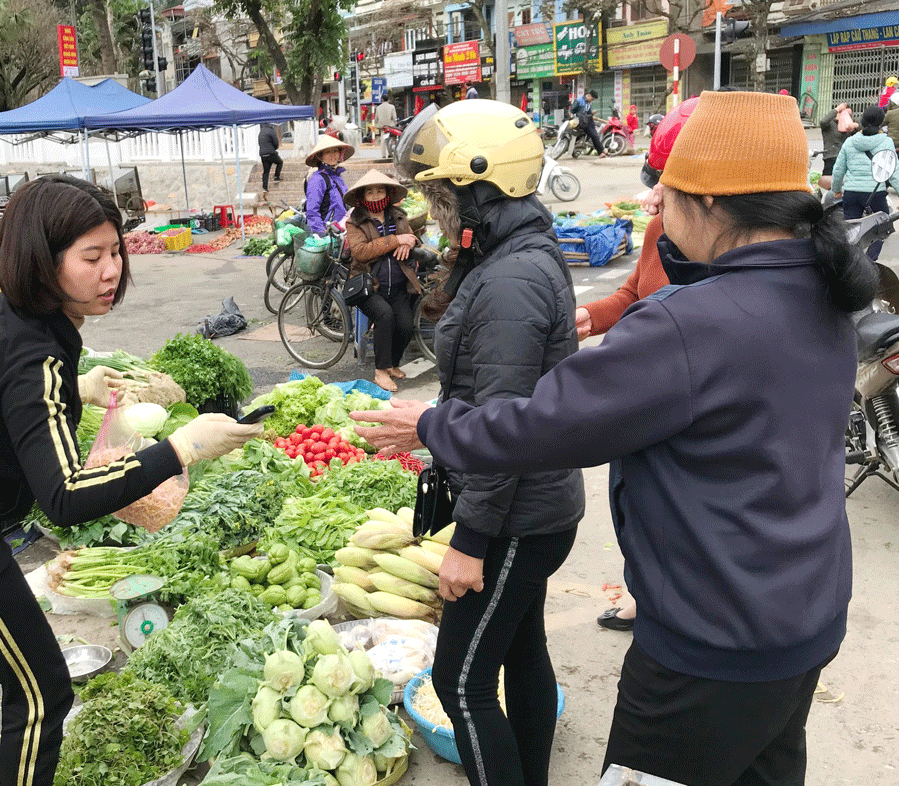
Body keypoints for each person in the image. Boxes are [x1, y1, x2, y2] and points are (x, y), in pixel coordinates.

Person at [355, 90, 875, 786]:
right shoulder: (823, 291)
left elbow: (543, 424)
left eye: (669, 188)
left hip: (708, 647)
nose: (654, 201)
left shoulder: (692, 326)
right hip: (802, 623)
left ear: (715, 205)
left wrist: (428, 424)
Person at [0, 176, 263, 786]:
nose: (112, 270)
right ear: (42, 261)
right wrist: (181, 448)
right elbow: (65, 500)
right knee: (42, 689)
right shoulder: (35, 350)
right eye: (92, 257)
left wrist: (76, 390)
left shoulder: (27, 320)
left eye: (115, 251)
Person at [386, 99, 586, 786]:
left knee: (461, 683)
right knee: (522, 653)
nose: (435, 212)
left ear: (481, 190)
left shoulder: (510, 278)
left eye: (441, 198)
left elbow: (506, 427)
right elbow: (492, 385)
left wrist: (470, 541)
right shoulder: (512, 253)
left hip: (514, 516)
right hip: (530, 509)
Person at [575, 96, 699, 632]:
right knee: (634, 501)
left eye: (664, 185)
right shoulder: (658, 232)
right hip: (640, 394)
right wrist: (590, 316)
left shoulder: (727, 263)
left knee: (678, 510)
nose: (651, 197)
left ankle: (669, 600)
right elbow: (632, 292)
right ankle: (638, 589)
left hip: (679, 401)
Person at [344, 169, 422, 393]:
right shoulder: (355, 221)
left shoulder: (397, 215)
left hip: (398, 285)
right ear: (362, 197)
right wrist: (396, 240)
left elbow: (412, 237)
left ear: (387, 193)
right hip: (370, 287)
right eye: (370, 192)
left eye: (380, 191)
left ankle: (391, 363)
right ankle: (380, 371)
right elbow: (361, 251)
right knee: (384, 316)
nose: (376, 195)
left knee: (406, 325)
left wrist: (408, 242)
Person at [831, 105, 899, 222]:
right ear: (881, 122)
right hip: (875, 194)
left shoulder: (850, 142)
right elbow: (893, 172)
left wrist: (836, 189)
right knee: (881, 228)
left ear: (862, 120)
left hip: (851, 194)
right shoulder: (887, 142)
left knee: (851, 229)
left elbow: (838, 169)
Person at [303, 134, 353, 236]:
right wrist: (321, 233)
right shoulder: (317, 179)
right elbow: (312, 211)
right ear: (320, 156)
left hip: (341, 231)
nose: (332, 155)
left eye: (335, 151)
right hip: (328, 232)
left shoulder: (337, 176)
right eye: (327, 152)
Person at [819, 103, 858, 189]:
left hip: (846, 159)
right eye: (845, 114)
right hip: (831, 158)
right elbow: (823, 122)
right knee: (828, 185)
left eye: (850, 115)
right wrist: (837, 109)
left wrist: (856, 126)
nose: (847, 117)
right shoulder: (830, 125)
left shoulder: (849, 126)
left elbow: (864, 131)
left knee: (845, 185)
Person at [571, 89, 607, 158]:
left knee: (596, 135)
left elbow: (588, 113)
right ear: (589, 96)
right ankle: (601, 151)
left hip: (589, 121)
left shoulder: (588, 103)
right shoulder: (579, 101)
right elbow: (572, 110)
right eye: (592, 99)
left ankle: (601, 150)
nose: (592, 101)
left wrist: (592, 113)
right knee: (594, 135)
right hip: (583, 122)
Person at [258, 122, 283, 193]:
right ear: (271, 125)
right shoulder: (271, 131)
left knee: (266, 171)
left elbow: (259, 143)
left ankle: (264, 187)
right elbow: (276, 143)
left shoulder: (261, 132)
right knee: (280, 162)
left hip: (263, 154)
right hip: (271, 153)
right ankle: (276, 177)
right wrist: (274, 148)